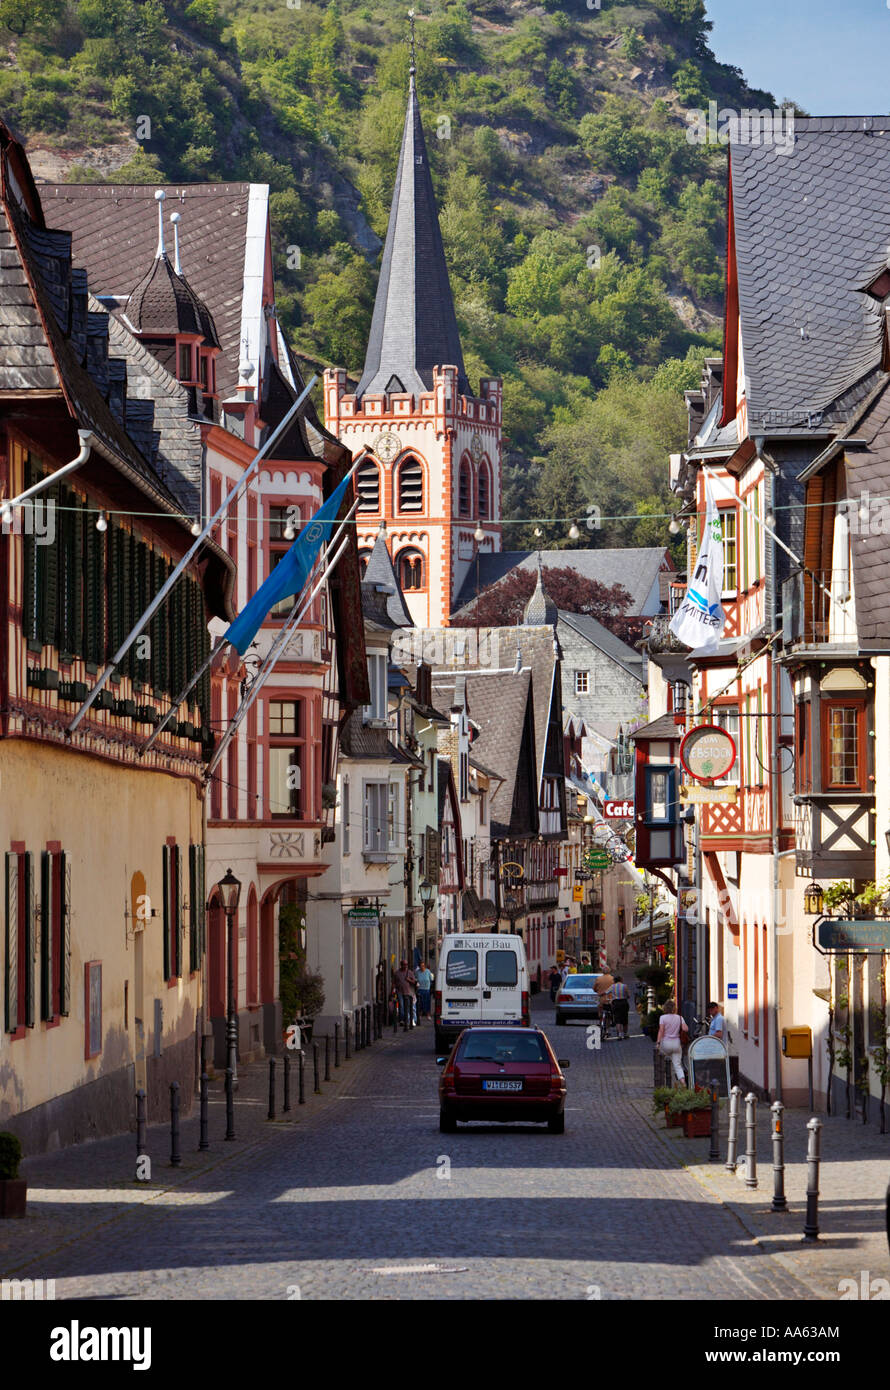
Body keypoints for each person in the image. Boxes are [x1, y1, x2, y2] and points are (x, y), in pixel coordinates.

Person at [656, 998, 688, 1084]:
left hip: (665, 1043)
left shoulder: (662, 1018)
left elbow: (661, 1031)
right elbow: (685, 1029)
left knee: (661, 1062)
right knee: (677, 1065)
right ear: (674, 1008)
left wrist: (658, 1043)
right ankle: (683, 1083)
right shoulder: (680, 1017)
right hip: (676, 1044)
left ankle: (663, 1082)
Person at [392, 959, 417, 1030]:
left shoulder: (410, 972)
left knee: (408, 1007)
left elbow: (414, 982)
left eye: (406, 965)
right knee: (401, 1006)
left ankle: (407, 1021)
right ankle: (402, 1020)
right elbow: (394, 982)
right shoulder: (397, 973)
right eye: (404, 964)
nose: (405, 966)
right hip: (399, 991)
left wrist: (409, 980)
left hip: (408, 992)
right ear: (401, 965)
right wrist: (392, 991)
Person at [610, 974, 630, 1040]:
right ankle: (625, 1034)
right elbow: (628, 995)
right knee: (625, 1018)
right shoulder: (625, 986)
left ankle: (619, 1035)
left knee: (617, 1019)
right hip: (623, 1002)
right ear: (621, 980)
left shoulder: (612, 986)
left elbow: (606, 992)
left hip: (615, 1003)